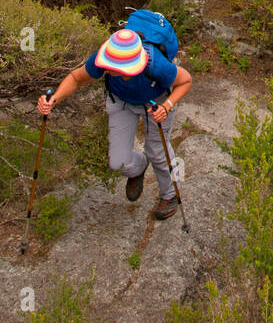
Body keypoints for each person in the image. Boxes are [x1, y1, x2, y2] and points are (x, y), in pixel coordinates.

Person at [37, 27, 192, 220]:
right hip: (121, 101)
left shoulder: (155, 64)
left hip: (156, 102)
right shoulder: (103, 59)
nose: (124, 73)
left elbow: (185, 80)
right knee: (118, 162)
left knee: (157, 151)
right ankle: (139, 167)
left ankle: (169, 195)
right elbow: (76, 78)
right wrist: (54, 99)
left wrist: (167, 106)